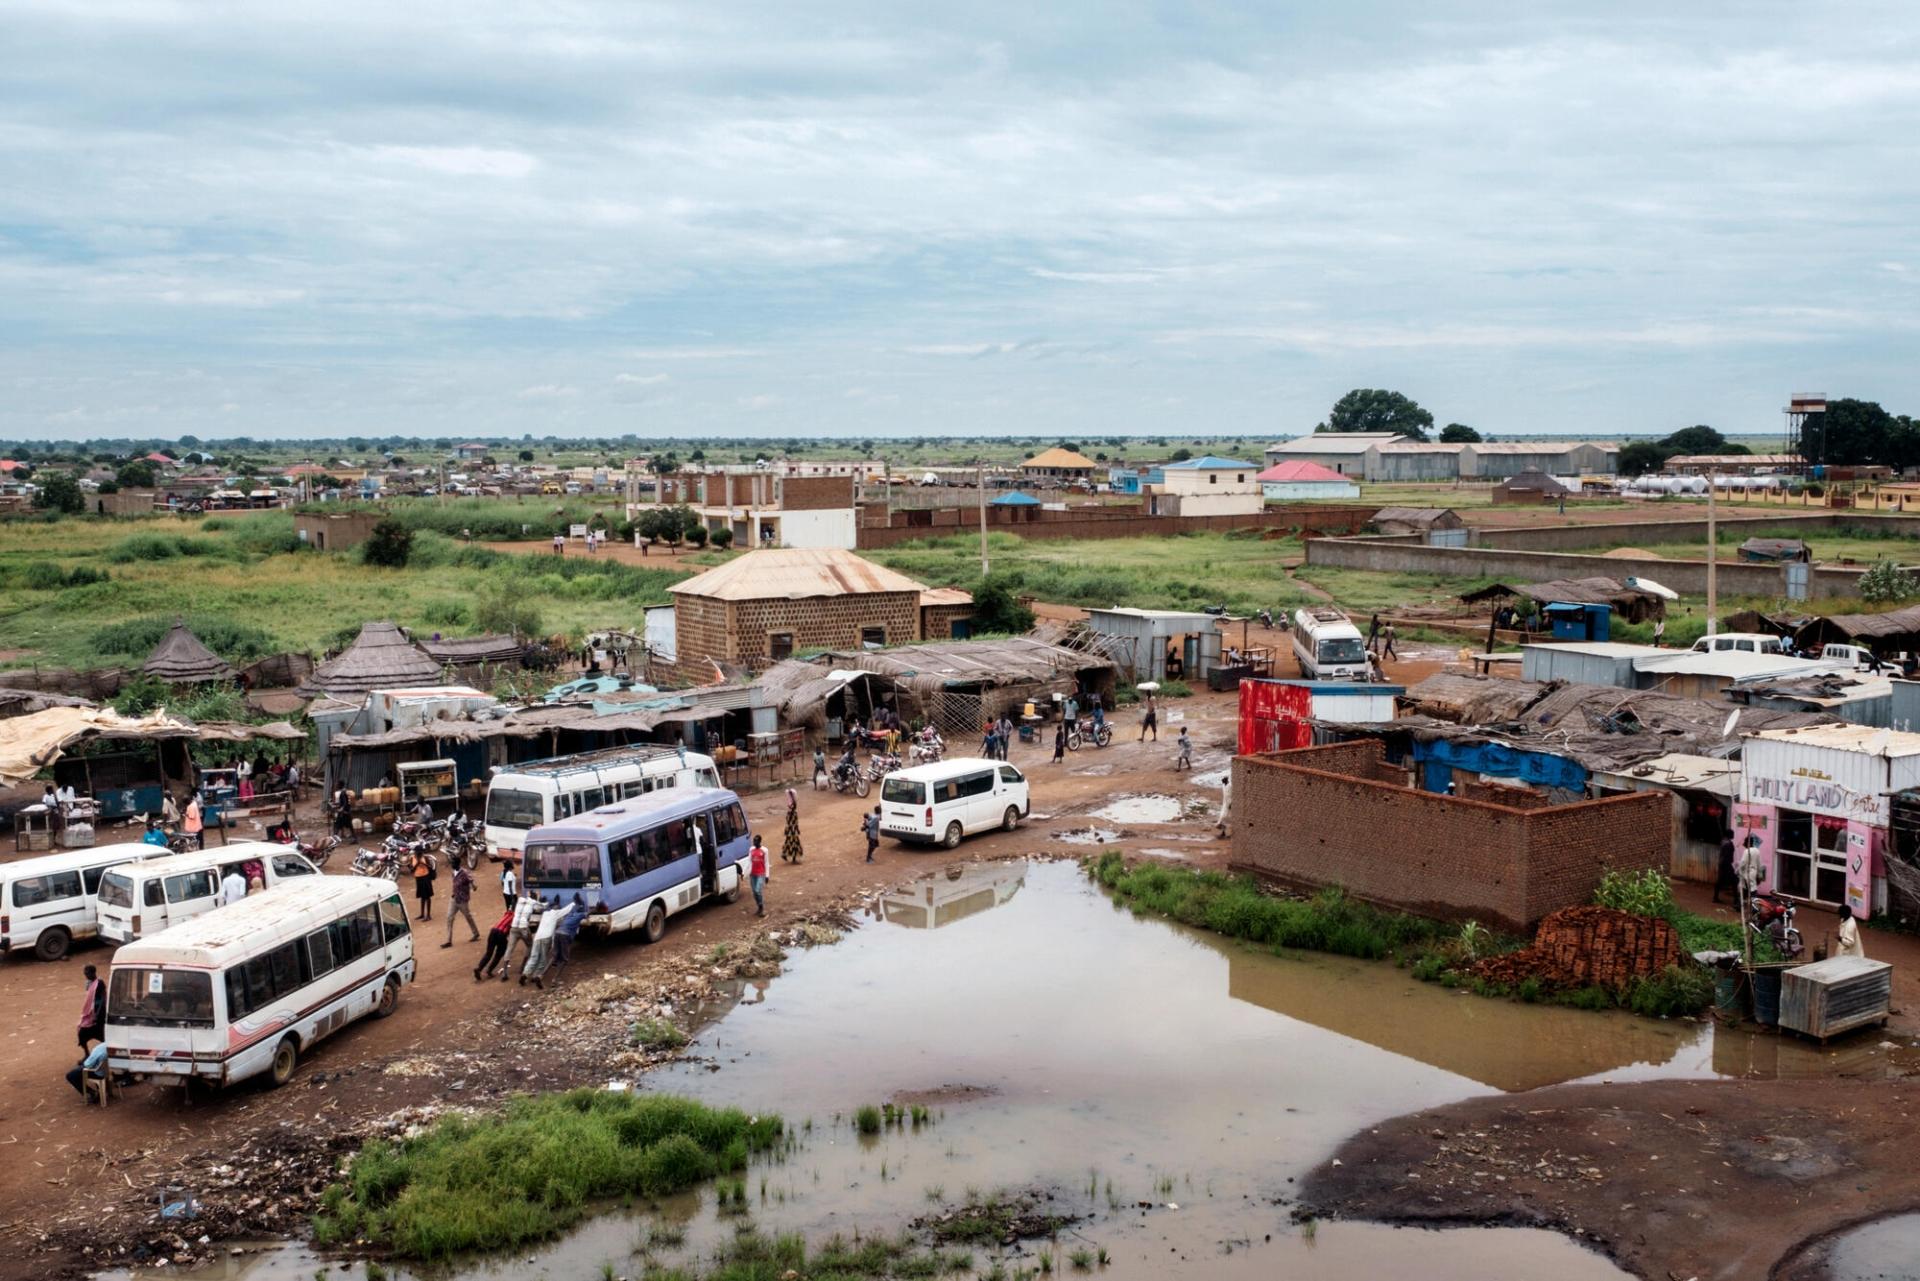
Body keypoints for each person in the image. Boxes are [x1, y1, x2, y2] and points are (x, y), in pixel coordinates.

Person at [521, 895, 564, 989]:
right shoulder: (557, 917)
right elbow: (560, 925)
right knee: (543, 958)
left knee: (533, 957)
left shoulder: (545, 914)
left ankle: (525, 974)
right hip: (546, 938)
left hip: (537, 937)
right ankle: (536, 976)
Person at [499, 895, 540, 982]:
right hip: (524, 928)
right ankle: (523, 966)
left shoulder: (520, 900)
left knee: (509, 949)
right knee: (530, 945)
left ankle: (504, 973)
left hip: (514, 927)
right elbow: (539, 909)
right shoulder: (533, 903)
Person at [443, 861, 478, 948]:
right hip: (454, 898)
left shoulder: (464, 873)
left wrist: (473, 886)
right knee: (449, 917)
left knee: (468, 916)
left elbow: (470, 880)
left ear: (458, 864)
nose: (452, 866)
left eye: (453, 864)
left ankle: (476, 933)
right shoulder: (453, 872)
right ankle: (448, 940)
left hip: (462, 900)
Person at [474, 906, 514, 980]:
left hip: (493, 930)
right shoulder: (516, 917)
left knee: (489, 953)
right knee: (499, 953)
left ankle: (479, 968)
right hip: (501, 933)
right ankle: (489, 970)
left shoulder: (508, 913)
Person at [552, 893, 586, 972]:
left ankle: (541, 975)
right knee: (564, 959)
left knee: (555, 956)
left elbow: (577, 906)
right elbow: (588, 913)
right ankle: (554, 980)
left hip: (557, 933)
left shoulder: (569, 915)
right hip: (565, 935)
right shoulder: (580, 915)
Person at [78, 965, 106, 1051]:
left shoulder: (100, 983)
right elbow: (88, 998)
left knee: (101, 1033)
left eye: (87, 973)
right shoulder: (88, 983)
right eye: (85, 974)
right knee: (82, 1032)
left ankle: (106, 1051)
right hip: (90, 1011)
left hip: (99, 1011)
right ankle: (86, 1053)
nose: (86, 976)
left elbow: (103, 998)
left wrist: (97, 1013)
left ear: (93, 973)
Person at [1713, 831, 1738, 905]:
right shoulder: (1728, 843)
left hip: (1722, 864)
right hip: (1726, 864)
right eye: (1732, 834)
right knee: (1734, 881)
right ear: (1729, 835)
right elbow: (1727, 855)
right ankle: (1736, 900)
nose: (1733, 835)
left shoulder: (1723, 841)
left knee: (1719, 881)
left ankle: (1715, 897)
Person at [748, 834, 770, 915]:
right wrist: (744, 872)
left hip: (760, 873)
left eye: (756, 841)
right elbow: (749, 861)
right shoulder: (751, 849)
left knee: (758, 890)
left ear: (760, 842)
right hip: (752, 874)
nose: (754, 842)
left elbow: (767, 863)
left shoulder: (765, 850)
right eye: (754, 841)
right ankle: (759, 906)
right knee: (754, 892)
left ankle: (761, 905)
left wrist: (767, 875)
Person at [411, 849, 435, 921]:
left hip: (426, 878)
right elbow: (411, 870)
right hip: (418, 878)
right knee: (422, 896)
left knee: (427, 896)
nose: (419, 854)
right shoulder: (412, 858)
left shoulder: (425, 858)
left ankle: (428, 915)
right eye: (417, 853)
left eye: (420, 853)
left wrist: (423, 863)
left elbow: (431, 867)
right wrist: (417, 864)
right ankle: (422, 914)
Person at [782, 789, 805, 864]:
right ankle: (793, 858)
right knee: (794, 844)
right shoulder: (793, 813)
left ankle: (786, 855)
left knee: (789, 843)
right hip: (792, 831)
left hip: (790, 830)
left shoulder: (790, 812)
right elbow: (794, 823)